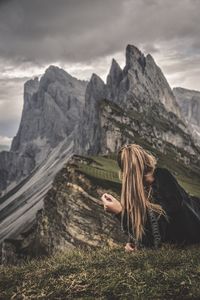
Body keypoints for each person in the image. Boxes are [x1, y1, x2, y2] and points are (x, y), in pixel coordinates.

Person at [101, 143, 200, 251]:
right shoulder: (161, 178)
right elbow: (145, 227)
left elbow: (153, 241)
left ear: (125, 174)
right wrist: (132, 241)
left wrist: (120, 213)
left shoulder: (163, 191)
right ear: (147, 159)